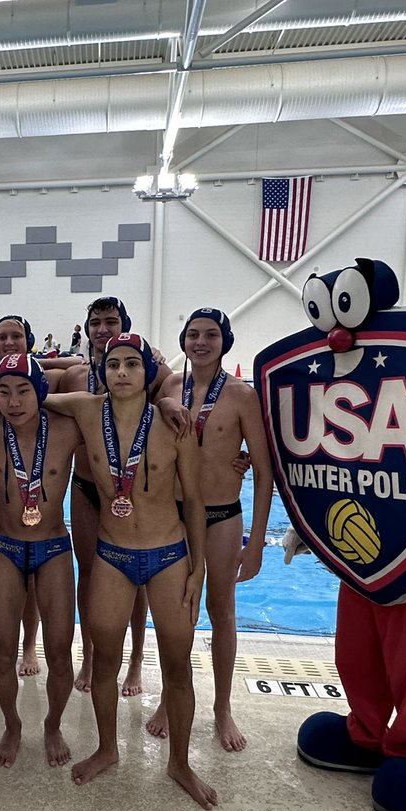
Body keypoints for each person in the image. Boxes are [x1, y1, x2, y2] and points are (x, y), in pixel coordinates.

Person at [42, 334, 213, 808]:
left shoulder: (174, 423)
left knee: (178, 668)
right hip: (112, 557)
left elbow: (196, 502)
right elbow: (26, 390)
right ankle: (107, 748)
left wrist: (197, 570)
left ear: (146, 373)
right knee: (103, 660)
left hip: (169, 556)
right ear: (101, 370)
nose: (120, 372)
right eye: (112, 364)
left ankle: (180, 763)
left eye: (131, 365)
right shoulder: (84, 408)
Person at [147, 308, 271, 752]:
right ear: (183, 339)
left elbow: (263, 470)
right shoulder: (169, 388)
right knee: (173, 614)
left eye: (211, 335)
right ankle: (168, 696)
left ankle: (222, 708)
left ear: (225, 342)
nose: (201, 342)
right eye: (194, 334)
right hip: (174, 515)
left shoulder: (241, 395)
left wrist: (256, 542)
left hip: (221, 516)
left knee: (222, 613)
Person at [0, 354, 82, 767]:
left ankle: (52, 724)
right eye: (3, 392)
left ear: (41, 392)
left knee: (60, 653)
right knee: (4, 650)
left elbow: (108, 407)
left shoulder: (67, 428)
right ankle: (12, 725)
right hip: (6, 547)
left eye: (23, 390)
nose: (13, 401)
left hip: (53, 548)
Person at [56, 297, 174, 696]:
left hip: (133, 492)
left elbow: (175, 392)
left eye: (111, 322)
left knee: (137, 578)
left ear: (124, 325)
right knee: (87, 574)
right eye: (96, 323)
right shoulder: (73, 377)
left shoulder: (145, 370)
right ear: (87, 330)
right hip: (86, 486)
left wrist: (171, 400)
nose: (103, 329)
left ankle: (136, 661)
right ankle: (91, 654)